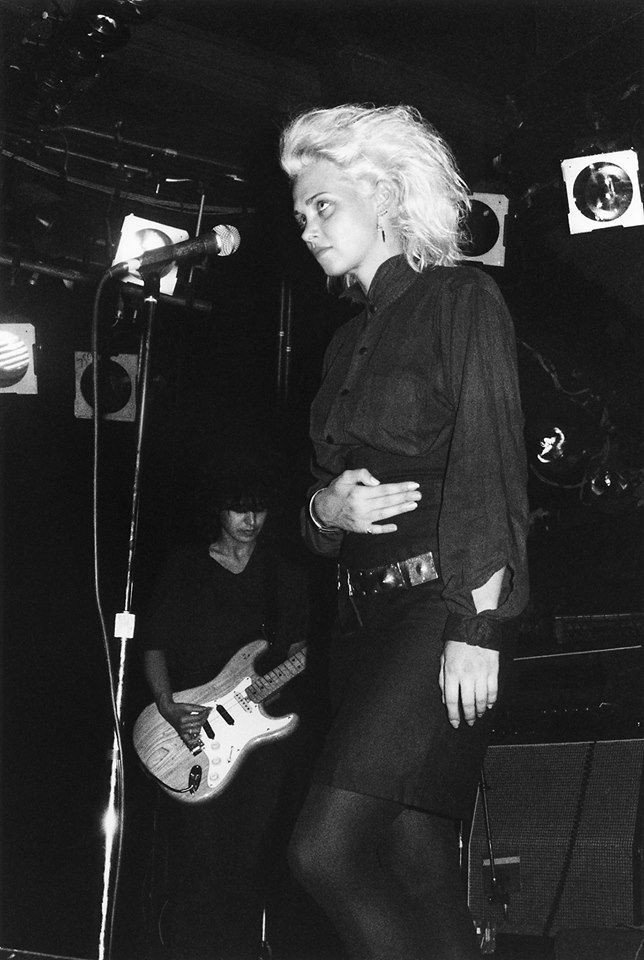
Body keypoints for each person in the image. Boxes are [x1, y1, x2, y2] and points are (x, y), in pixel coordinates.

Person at [279, 104, 529, 959]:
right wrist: (326, 510)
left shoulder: (461, 297)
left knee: (324, 850)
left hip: (436, 614)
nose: (307, 228)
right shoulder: (345, 340)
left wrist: (476, 625)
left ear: (383, 195)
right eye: (301, 212)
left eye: (323, 206)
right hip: (362, 622)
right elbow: (317, 506)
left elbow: (491, 470)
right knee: (414, 860)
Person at [138, 473, 313, 960]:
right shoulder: (185, 566)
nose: (250, 521)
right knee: (199, 862)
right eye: (239, 510)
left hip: (260, 743)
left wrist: (284, 676)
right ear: (219, 511)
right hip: (192, 731)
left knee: (248, 861)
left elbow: (298, 650)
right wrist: (170, 707)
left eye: (258, 510)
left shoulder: (283, 574)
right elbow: (153, 644)